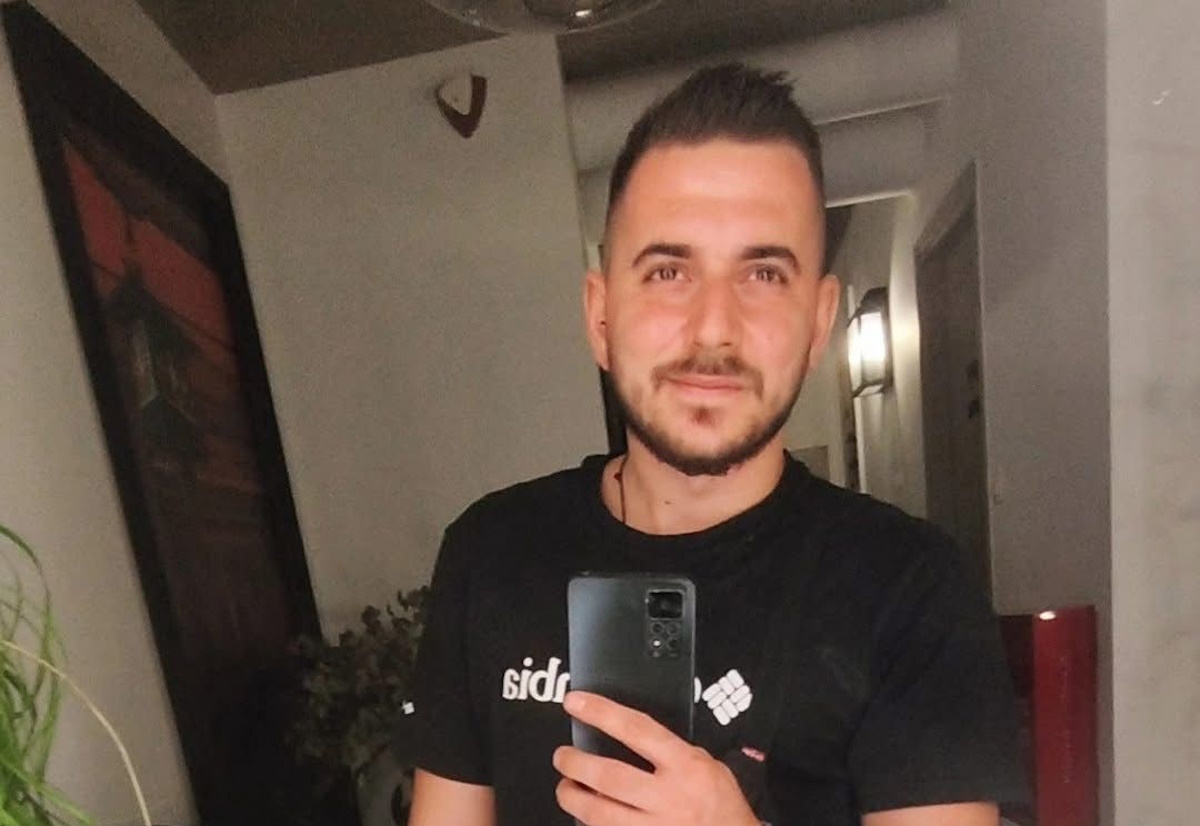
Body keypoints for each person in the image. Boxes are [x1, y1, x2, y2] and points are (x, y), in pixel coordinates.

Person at [405, 63, 1026, 826]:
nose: (713, 329)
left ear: (818, 324)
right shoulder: (490, 552)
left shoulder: (913, 591)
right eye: (669, 271)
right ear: (601, 316)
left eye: (763, 273)